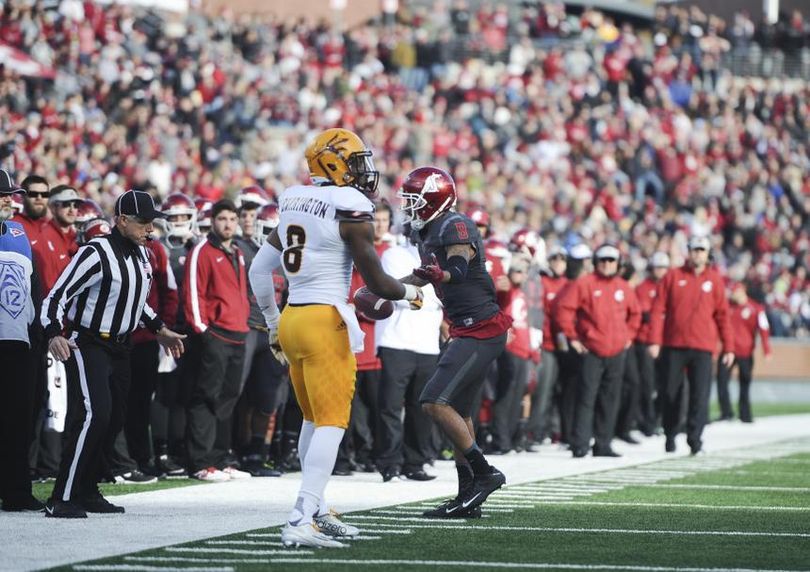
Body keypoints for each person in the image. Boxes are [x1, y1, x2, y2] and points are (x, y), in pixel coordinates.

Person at [248, 128, 424, 548]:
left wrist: (273, 322)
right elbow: (377, 281)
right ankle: (300, 516)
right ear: (333, 164)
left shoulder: (293, 200)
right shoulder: (350, 205)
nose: (364, 171)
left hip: (292, 317)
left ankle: (318, 509)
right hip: (325, 320)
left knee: (312, 418)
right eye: (356, 162)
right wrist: (411, 293)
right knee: (331, 422)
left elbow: (259, 271)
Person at [40, 190, 186, 518]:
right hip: (89, 342)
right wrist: (53, 333)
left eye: (152, 223)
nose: (150, 229)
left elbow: (137, 302)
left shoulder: (141, 255)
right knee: (96, 415)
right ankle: (60, 496)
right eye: (143, 223)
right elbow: (56, 295)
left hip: (122, 345)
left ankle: (88, 489)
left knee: (116, 418)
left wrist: (161, 329)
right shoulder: (96, 252)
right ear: (120, 220)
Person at [398, 166, 511, 519]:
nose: (410, 208)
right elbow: (422, 276)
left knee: (433, 401)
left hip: (481, 326)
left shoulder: (454, 224)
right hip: (466, 328)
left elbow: (457, 271)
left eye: (415, 201)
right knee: (459, 412)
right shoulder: (426, 231)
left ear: (434, 200)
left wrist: (438, 275)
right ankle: (468, 496)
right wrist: (383, 289)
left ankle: (484, 473)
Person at [184, 199, 252, 482]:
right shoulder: (202, 250)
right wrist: (202, 330)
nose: (228, 224)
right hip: (214, 335)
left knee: (228, 399)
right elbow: (193, 292)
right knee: (206, 397)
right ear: (213, 221)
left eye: (232, 219)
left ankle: (222, 458)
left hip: (238, 334)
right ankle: (200, 462)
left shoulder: (237, 252)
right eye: (222, 219)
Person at [649, 235, 734, 455]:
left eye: (701, 250)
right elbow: (658, 309)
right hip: (674, 344)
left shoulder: (714, 280)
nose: (697, 254)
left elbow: (723, 316)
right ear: (689, 252)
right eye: (694, 250)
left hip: (703, 346)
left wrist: (729, 347)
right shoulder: (673, 276)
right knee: (670, 392)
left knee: (700, 395)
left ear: (707, 254)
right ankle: (669, 432)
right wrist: (655, 340)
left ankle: (695, 439)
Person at [555, 244, 641, 457]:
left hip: (617, 351)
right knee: (586, 397)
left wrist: (628, 336)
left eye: (611, 261)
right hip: (592, 349)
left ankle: (603, 444)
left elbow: (636, 314)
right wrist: (572, 338)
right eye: (603, 260)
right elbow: (564, 310)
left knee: (610, 399)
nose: (607, 264)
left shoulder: (623, 287)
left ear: (617, 264)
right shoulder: (584, 284)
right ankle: (580, 443)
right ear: (595, 262)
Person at [376, 226, 443, 482]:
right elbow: (397, 294)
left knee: (421, 407)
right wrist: (428, 296)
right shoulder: (394, 255)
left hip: (427, 342)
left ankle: (415, 462)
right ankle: (389, 462)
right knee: (391, 406)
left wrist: (420, 295)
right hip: (397, 340)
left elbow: (444, 296)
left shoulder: (439, 259)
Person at [233, 190, 284, 477]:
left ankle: (257, 453)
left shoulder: (289, 260)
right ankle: (234, 450)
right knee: (238, 395)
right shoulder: (242, 250)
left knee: (267, 399)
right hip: (248, 329)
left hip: (274, 332)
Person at [0, 172, 42, 512]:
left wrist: (38, 335)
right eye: (1, 195)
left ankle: (16, 490)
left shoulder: (19, 233)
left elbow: (33, 288)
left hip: (18, 340)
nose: (8, 200)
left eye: (9, 194)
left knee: (19, 420)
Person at [528, 244, 567, 444]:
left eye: (562, 259)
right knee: (542, 390)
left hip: (564, 345)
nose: (559, 263)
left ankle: (555, 430)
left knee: (558, 390)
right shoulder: (543, 282)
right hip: (547, 344)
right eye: (555, 259)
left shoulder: (567, 283)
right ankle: (534, 431)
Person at [716, 282, 771, 423]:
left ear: (742, 291)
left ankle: (745, 414)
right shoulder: (727, 307)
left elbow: (764, 329)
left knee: (744, 383)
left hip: (745, 352)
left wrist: (767, 350)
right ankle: (726, 412)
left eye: (735, 292)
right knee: (722, 381)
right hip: (728, 351)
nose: (733, 295)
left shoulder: (756, 308)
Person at [632, 251, 670, 436]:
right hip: (646, 342)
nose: (660, 271)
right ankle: (647, 421)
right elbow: (644, 313)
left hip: (666, 342)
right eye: (658, 267)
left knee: (665, 383)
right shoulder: (642, 288)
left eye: (663, 267)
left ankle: (660, 419)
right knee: (646, 384)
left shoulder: (671, 286)